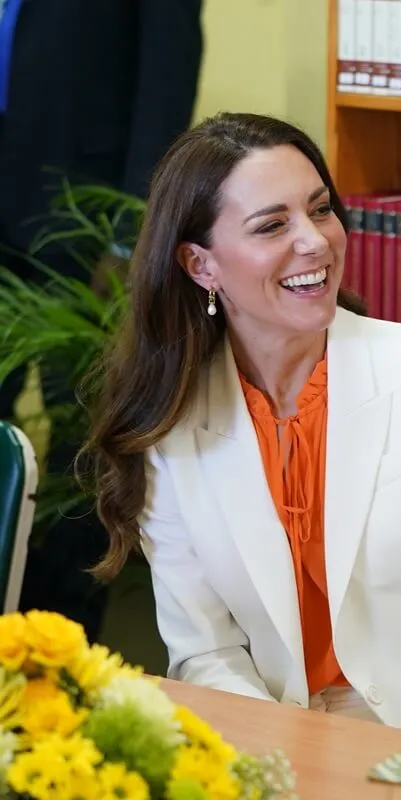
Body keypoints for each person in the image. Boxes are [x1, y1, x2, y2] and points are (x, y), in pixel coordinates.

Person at [74, 112, 401, 751]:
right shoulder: (170, 429)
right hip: (275, 749)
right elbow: (206, 652)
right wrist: (287, 760)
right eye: (272, 225)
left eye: (320, 210)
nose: (314, 242)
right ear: (201, 264)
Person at [0, 0, 204, 639]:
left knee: (80, 431)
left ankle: (60, 637)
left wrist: (128, 232)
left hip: (79, 214)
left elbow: (168, 71)